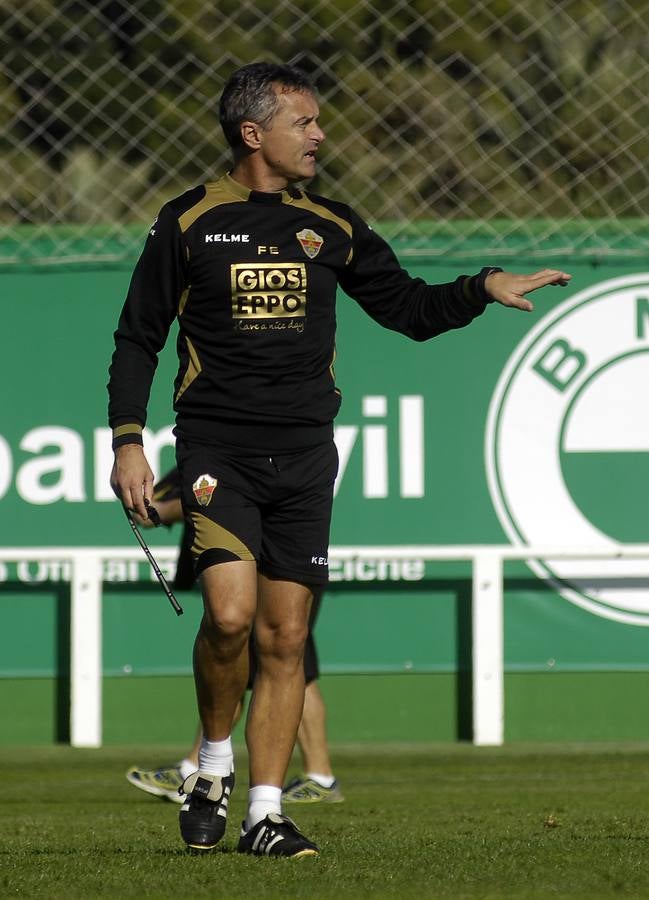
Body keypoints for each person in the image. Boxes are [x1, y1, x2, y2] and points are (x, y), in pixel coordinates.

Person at [107, 61, 571, 858]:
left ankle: (263, 814)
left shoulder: (333, 224)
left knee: (285, 639)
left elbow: (408, 309)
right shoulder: (186, 221)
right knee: (228, 617)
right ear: (253, 133)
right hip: (217, 447)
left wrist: (480, 286)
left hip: (307, 454)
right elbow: (137, 337)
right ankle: (211, 764)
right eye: (305, 122)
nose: (320, 134)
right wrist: (127, 443)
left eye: (318, 122)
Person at [125, 469, 343, 806]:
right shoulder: (204, 447)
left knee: (279, 657)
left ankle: (315, 775)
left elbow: (205, 499)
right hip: (249, 557)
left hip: (269, 557)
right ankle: (199, 766)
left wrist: (161, 511)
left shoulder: (248, 448)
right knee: (259, 659)